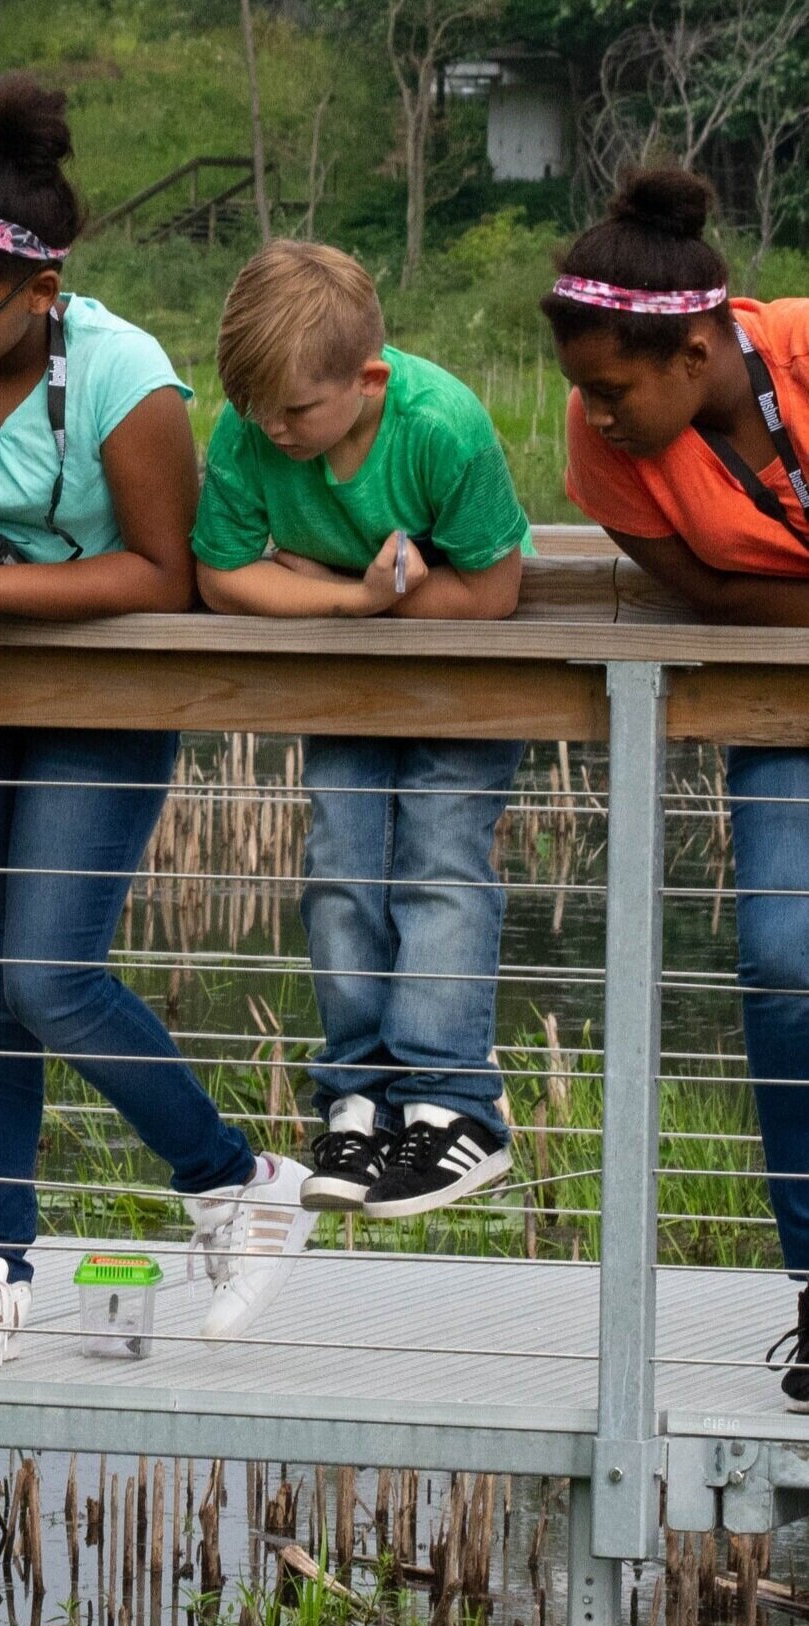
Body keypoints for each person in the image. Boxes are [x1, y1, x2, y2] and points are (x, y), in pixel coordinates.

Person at [0, 75, 313, 1370]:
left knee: (49, 971)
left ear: (38, 296)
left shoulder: (122, 377)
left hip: (105, 693)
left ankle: (235, 1180)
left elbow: (163, 571)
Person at [194, 242, 531, 1243]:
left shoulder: (441, 426)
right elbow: (221, 577)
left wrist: (372, 596)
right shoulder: (252, 427)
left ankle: (452, 1100)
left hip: (461, 683)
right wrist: (351, 598)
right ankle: (359, 1098)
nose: (272, 432)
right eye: (257, 412)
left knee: (438, 861)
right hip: (347, 670)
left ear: (367, 379)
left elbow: (496, 591)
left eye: (297, 412)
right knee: (340, 867)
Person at [542, 170, 809, 1411]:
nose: (591, 411)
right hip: (784, 712)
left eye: (611, 386)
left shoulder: (803, 350)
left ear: (695, 349)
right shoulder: (605, 453)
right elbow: (705, 597)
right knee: (783, 959)